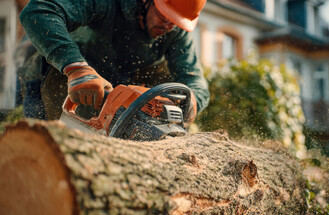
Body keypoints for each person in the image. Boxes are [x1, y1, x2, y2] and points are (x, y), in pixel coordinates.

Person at [18, 0, 209, 123]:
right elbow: (37, 12)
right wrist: (76, 68)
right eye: (164, 17)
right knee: (42, 149)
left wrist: (191, 102)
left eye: (176, 22)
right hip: (54, 74)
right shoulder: (106, 3)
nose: (169, 26)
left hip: (112, 88)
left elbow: (195, 80)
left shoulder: (175, 31)